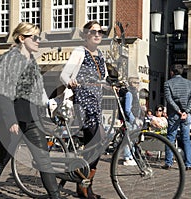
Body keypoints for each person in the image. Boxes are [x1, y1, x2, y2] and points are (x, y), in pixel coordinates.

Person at [0, 22, 61, 199]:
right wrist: (10, 119)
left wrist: (49, 106)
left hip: (31, 117)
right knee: (1, 159)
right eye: (34, 37)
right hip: (12, 117)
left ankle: (55, 196)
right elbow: (1, 91)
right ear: (21, 38)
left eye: (39, 37)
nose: (38, 40)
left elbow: (36, 91)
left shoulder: (31, 60)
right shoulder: (9, 59)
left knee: (44, 161)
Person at [60, 20, 108, 199]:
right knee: (98, 139)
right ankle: (83, 184)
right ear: (86, 35)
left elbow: (104, 78)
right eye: (93, 31)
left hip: (96, 104)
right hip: (82, 103)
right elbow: (64, 75)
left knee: (96, 144)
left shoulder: (101, 54)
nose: (97, 34)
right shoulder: (80, 52)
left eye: (100, 32)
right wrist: (70, 81)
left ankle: (84, 185)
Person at [163, 64, 191, 171]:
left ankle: (168, 162)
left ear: (172, 72)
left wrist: (178, 110)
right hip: (186, 115)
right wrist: (186, 111)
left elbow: (169, 99)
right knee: (186, 138)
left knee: (170, 138)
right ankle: (188, 164)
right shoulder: (190, 83)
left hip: (174, 114)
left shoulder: (168, 83)